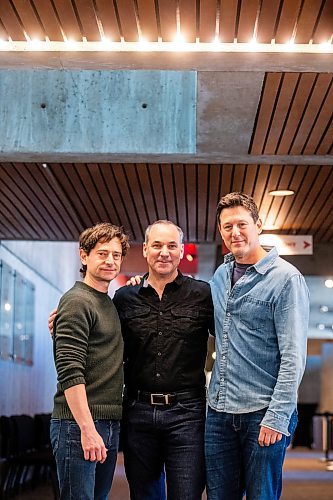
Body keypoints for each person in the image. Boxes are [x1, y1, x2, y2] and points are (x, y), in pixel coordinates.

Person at [205, 192, 309, 500]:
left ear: (258, 225)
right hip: (219, 411)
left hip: (262, 412)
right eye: (227, 227)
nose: (234, 233)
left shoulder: (286, 279)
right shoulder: (221, 275)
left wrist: (277, 417)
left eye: (241, 224)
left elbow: (294, 357)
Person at [113, 220, 214, 500]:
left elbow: (232, 339)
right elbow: (101, 338)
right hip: (138, 411)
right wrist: (64, 318)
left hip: (187, 414)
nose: (164, 252)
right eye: (157, 245)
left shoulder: (203, 295)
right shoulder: (124, 298)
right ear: (145, 250)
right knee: (143, 494)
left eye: (171, 246)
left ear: (181, 251)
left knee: (186, 494)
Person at [50, 222, 129, 500]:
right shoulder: (76, 301)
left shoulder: (106, 302)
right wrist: (87, 428)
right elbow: (71, 371)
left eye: (116, 255)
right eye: (102, 253)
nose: (110, 260)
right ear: (84, 256)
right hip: (78, 424)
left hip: (107, 421)